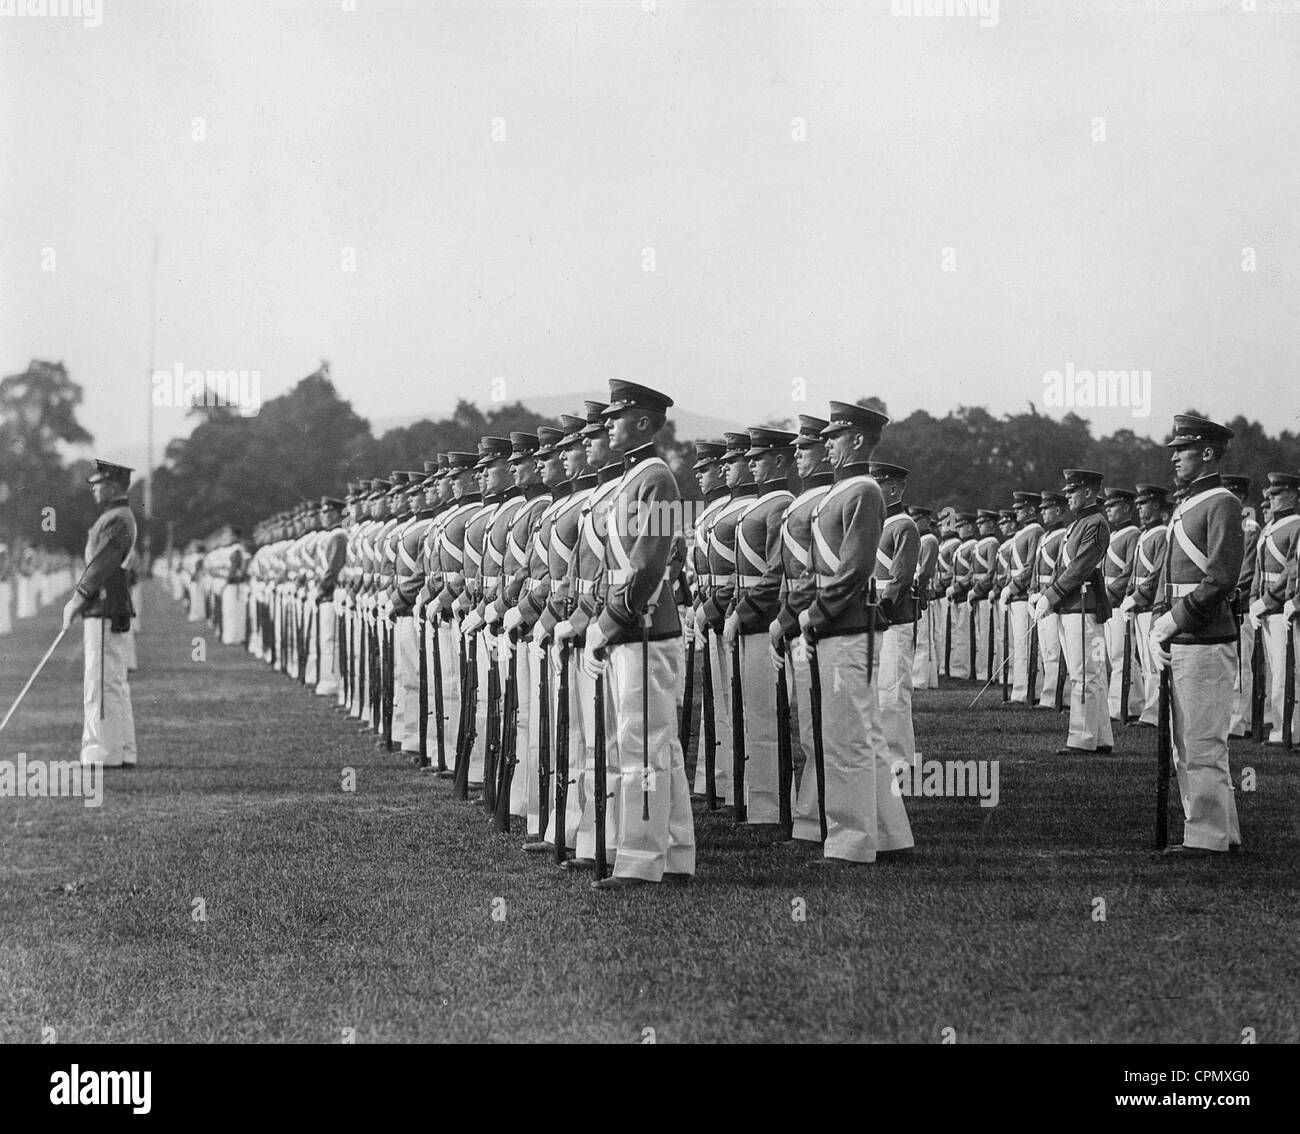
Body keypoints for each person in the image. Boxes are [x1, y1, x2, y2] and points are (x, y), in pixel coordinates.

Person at [587, 380, 696, 890]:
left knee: (643, 746)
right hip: (635, 628)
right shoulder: (638, 479)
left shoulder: (656, 480)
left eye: (618, 416)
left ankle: (640, 859)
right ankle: (673, 854)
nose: (608, 424)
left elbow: (648, 568)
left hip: (643, 627)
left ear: (645, 423)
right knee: (655, 745)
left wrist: (606, 625)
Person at [797, 401, 914, 865]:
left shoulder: (864, 491)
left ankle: (851, 841)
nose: (827, 442)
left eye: (836, 436)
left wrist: (815, 615)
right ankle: (891, 834)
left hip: (847, 626)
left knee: (847, 735)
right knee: (862, 734)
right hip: (837, 625)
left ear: (859, 441)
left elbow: (854, 569)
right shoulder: (839, 492)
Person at [1149, 415, 1244, 857]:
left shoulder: (1221, 503)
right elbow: (1170, 579)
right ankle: (1221, 831)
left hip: (1205, 637)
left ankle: (1206, 839)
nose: (1174, 458)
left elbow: (1221, 578)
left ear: (1207, 453)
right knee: (1187, 742)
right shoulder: (1187, 505)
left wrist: (1176, 620)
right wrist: (1159, 624)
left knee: (1202, 743)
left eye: (1181, 450)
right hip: (1184, 636)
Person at [723, 427, 796, 824]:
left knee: (767, 718)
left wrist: (743, 612)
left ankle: (771, 806)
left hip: (760, 618)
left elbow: (775, 573)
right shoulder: (764, 504)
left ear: (780, 461)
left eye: (759, 457)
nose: (751, 462)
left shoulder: (780, 504)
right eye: (748, 456)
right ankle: (759, 800)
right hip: (748, 615)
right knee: (753, 715)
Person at [1030, 469, 1112, 754]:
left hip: (1084, 606)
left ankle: (1082, 738)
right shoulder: (1077, 525)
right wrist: (1046, 596)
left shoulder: (1096, 523)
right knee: (1088, 673)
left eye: (1073, 491)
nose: (1067, 496)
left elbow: (1079, 568)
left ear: (1089, 492)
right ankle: (1100, 737)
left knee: (1085, 674)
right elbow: (1060, 568)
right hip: (1070, 606)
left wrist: (1050, 596)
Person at [63, 460, 138, 769]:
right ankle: (121, 750)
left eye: (99, 482)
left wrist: (76, 600)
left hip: (105, 604)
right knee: (112, 681)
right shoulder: (114, 517)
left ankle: (102, 751)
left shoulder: (118, 519)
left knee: (102, 681)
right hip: (107, 604)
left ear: (115, 486)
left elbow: (102, 565)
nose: (93, 487)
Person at [1248, 472, 1300, 746]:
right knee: (1272, 672)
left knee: (1285, 672)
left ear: (1292, 495)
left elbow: (1290, 572)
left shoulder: (1295, 526)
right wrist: (1254, 602)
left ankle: (1288, 729)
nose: (1270, 498)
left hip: (1283, 608)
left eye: (1277, 494)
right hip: (1266, 609)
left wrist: (1265, 602)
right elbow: (1259, 571)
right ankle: (1279, 725)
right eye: (1269, 493)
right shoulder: (1269, 528)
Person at [1120, 484, 1170, 727]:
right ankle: (1149, 710)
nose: (1139, 508)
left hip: (1151, 606)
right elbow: (1132, 572)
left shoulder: (1161, 535)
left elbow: (1156, 575)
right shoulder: (1143, 535)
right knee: (1145, 663)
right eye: (1138, 504)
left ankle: (1155, 713)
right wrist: (1129, 596)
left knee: (1153, 663)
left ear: (1157, 506)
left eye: (1144, 504)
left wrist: (1136, 597)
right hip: (1139, 607)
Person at [1101, 488, 1142, 722]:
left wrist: (1108, 596)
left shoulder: (1132, 534)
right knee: (1111, 655)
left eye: (1112, 506)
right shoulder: (1112, 535)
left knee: (1121, 655)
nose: (1108, 510)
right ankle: (1119, 703)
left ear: (1126, 508)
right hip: (1108, 603)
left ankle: (1126, 705)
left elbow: (1128, 573)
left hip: (1118, 602)